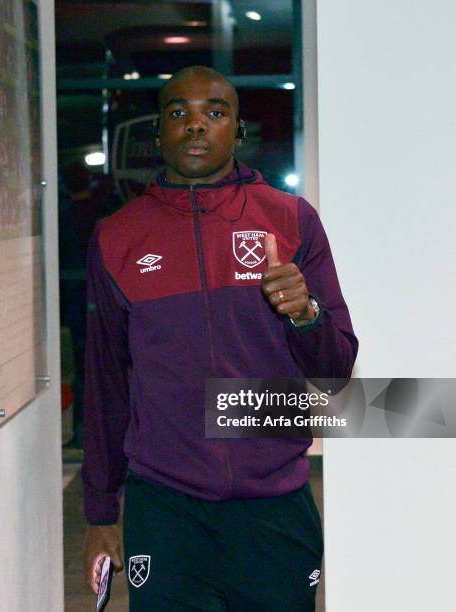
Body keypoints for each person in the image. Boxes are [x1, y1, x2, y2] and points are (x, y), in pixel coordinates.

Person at [81, 66, 358, 611]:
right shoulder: (117, 237)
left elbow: (336, 369)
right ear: (158, 132)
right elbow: (105, 384)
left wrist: (304, 313)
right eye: (178, 112)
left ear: (238, 129)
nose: (196, 125)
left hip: (274, 504)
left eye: (215, 111)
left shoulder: (290, 220)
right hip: (165, 506)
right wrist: (100, 513)